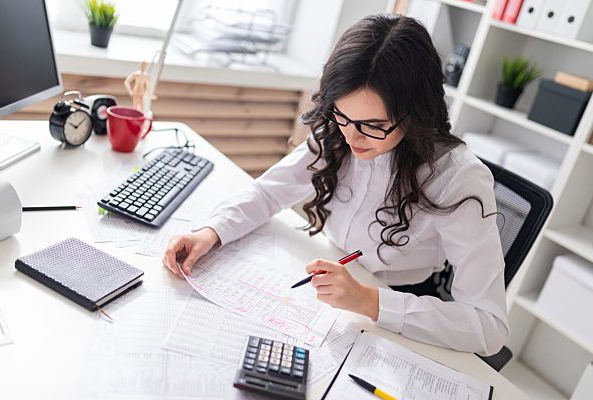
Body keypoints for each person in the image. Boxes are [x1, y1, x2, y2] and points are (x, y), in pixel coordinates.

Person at [162, 14, 509, 356]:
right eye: (342, 116)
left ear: (416, 112)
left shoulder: (459, 178)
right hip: (335, 273)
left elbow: (489, 326)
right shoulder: (337, 131)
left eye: (373, 125)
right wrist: (209, 233)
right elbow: (270, 192)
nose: (352, 136)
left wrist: (367, 300)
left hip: (402, 302)